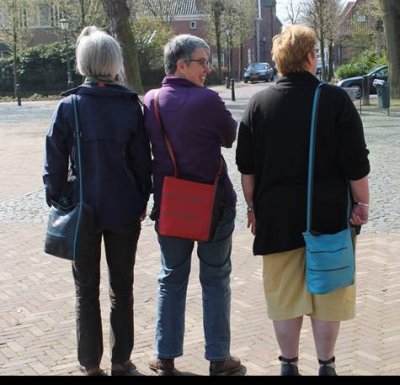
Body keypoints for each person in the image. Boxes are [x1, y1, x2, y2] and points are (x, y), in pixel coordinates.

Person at [236, 24, 370, 376]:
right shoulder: (335, 99)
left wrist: (252, 208)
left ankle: (288, 363)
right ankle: (326, 364)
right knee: (329, 292)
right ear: (310, 57)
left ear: (279, 61)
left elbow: (246, 169)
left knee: (283, 294)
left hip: (276, 216)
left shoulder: (258, 104)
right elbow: (356, 161)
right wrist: (362, 204)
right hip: (326, 214)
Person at [43, 26, 152, 376]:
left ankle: (90, 364)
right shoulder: (131, 107)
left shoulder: (68, 106)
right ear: (114, 62)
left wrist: (59, 198)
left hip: (82, 209)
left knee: (85, 291)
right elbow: (142, 163)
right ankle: (122, 361)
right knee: (123, 287)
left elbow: (53, 162)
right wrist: (141, 200)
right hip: (123, 209)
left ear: (84, 61)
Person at [143, 34, 246, 376]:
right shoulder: (208, 101)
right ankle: (219, 359)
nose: (208, 68)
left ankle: (164, 356)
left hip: (172, 205)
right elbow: (231, 138)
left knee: (171, 278)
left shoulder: (152, 101)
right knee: (215, 279)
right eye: (202, 61)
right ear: (181, 64)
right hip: (213, 205)